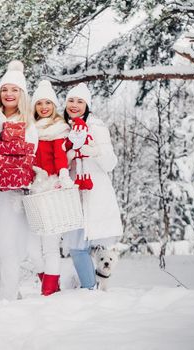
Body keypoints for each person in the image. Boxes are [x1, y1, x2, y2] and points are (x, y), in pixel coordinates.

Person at [0, 60, 38, 300]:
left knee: (7, 246)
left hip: (12, 193)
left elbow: (29, 157)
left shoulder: (29, 124)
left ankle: (7, 299)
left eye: (14, 89)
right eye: (4, 89)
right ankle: (8, 293)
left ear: (21, 94)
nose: (9, 94)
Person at [62, 83, 123, 289]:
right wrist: (69, 155)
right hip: (72, 192)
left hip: (95, 192)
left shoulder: (97, 127)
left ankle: (93, 288)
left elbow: (110, 163)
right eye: (71, 100)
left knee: (92, 244)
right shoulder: (63, 128)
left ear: (87, 105)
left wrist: (93, 151)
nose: (75, 105)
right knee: (77, 246)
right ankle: (89, 287)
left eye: (80, 101)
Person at [27, 80, 73, 296]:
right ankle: (51, 285)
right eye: (39, 103)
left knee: (50, 246)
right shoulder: (30, 129)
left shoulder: (59, 129)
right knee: (32, 247)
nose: (43, 107)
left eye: (48, 103)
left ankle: (49, 292)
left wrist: (63, 175)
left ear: (54, 105)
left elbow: (60, 155)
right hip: (32, 190)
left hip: (52, 188)